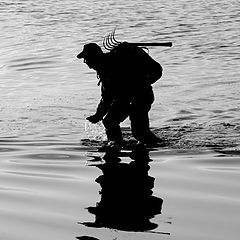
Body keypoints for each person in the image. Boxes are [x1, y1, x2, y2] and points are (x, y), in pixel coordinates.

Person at [77, 42, 163, 148]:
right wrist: (98, 115)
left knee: (139, 133)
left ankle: (160, 145)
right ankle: (117, 146)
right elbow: (107, 97)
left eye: (87, 59)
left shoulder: (115, 61)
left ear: (95, 56)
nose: (86, 63)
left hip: (141, 97)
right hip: (124, 99)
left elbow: (157, 71)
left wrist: (142, 85)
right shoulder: (104, 69)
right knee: (109, 122)